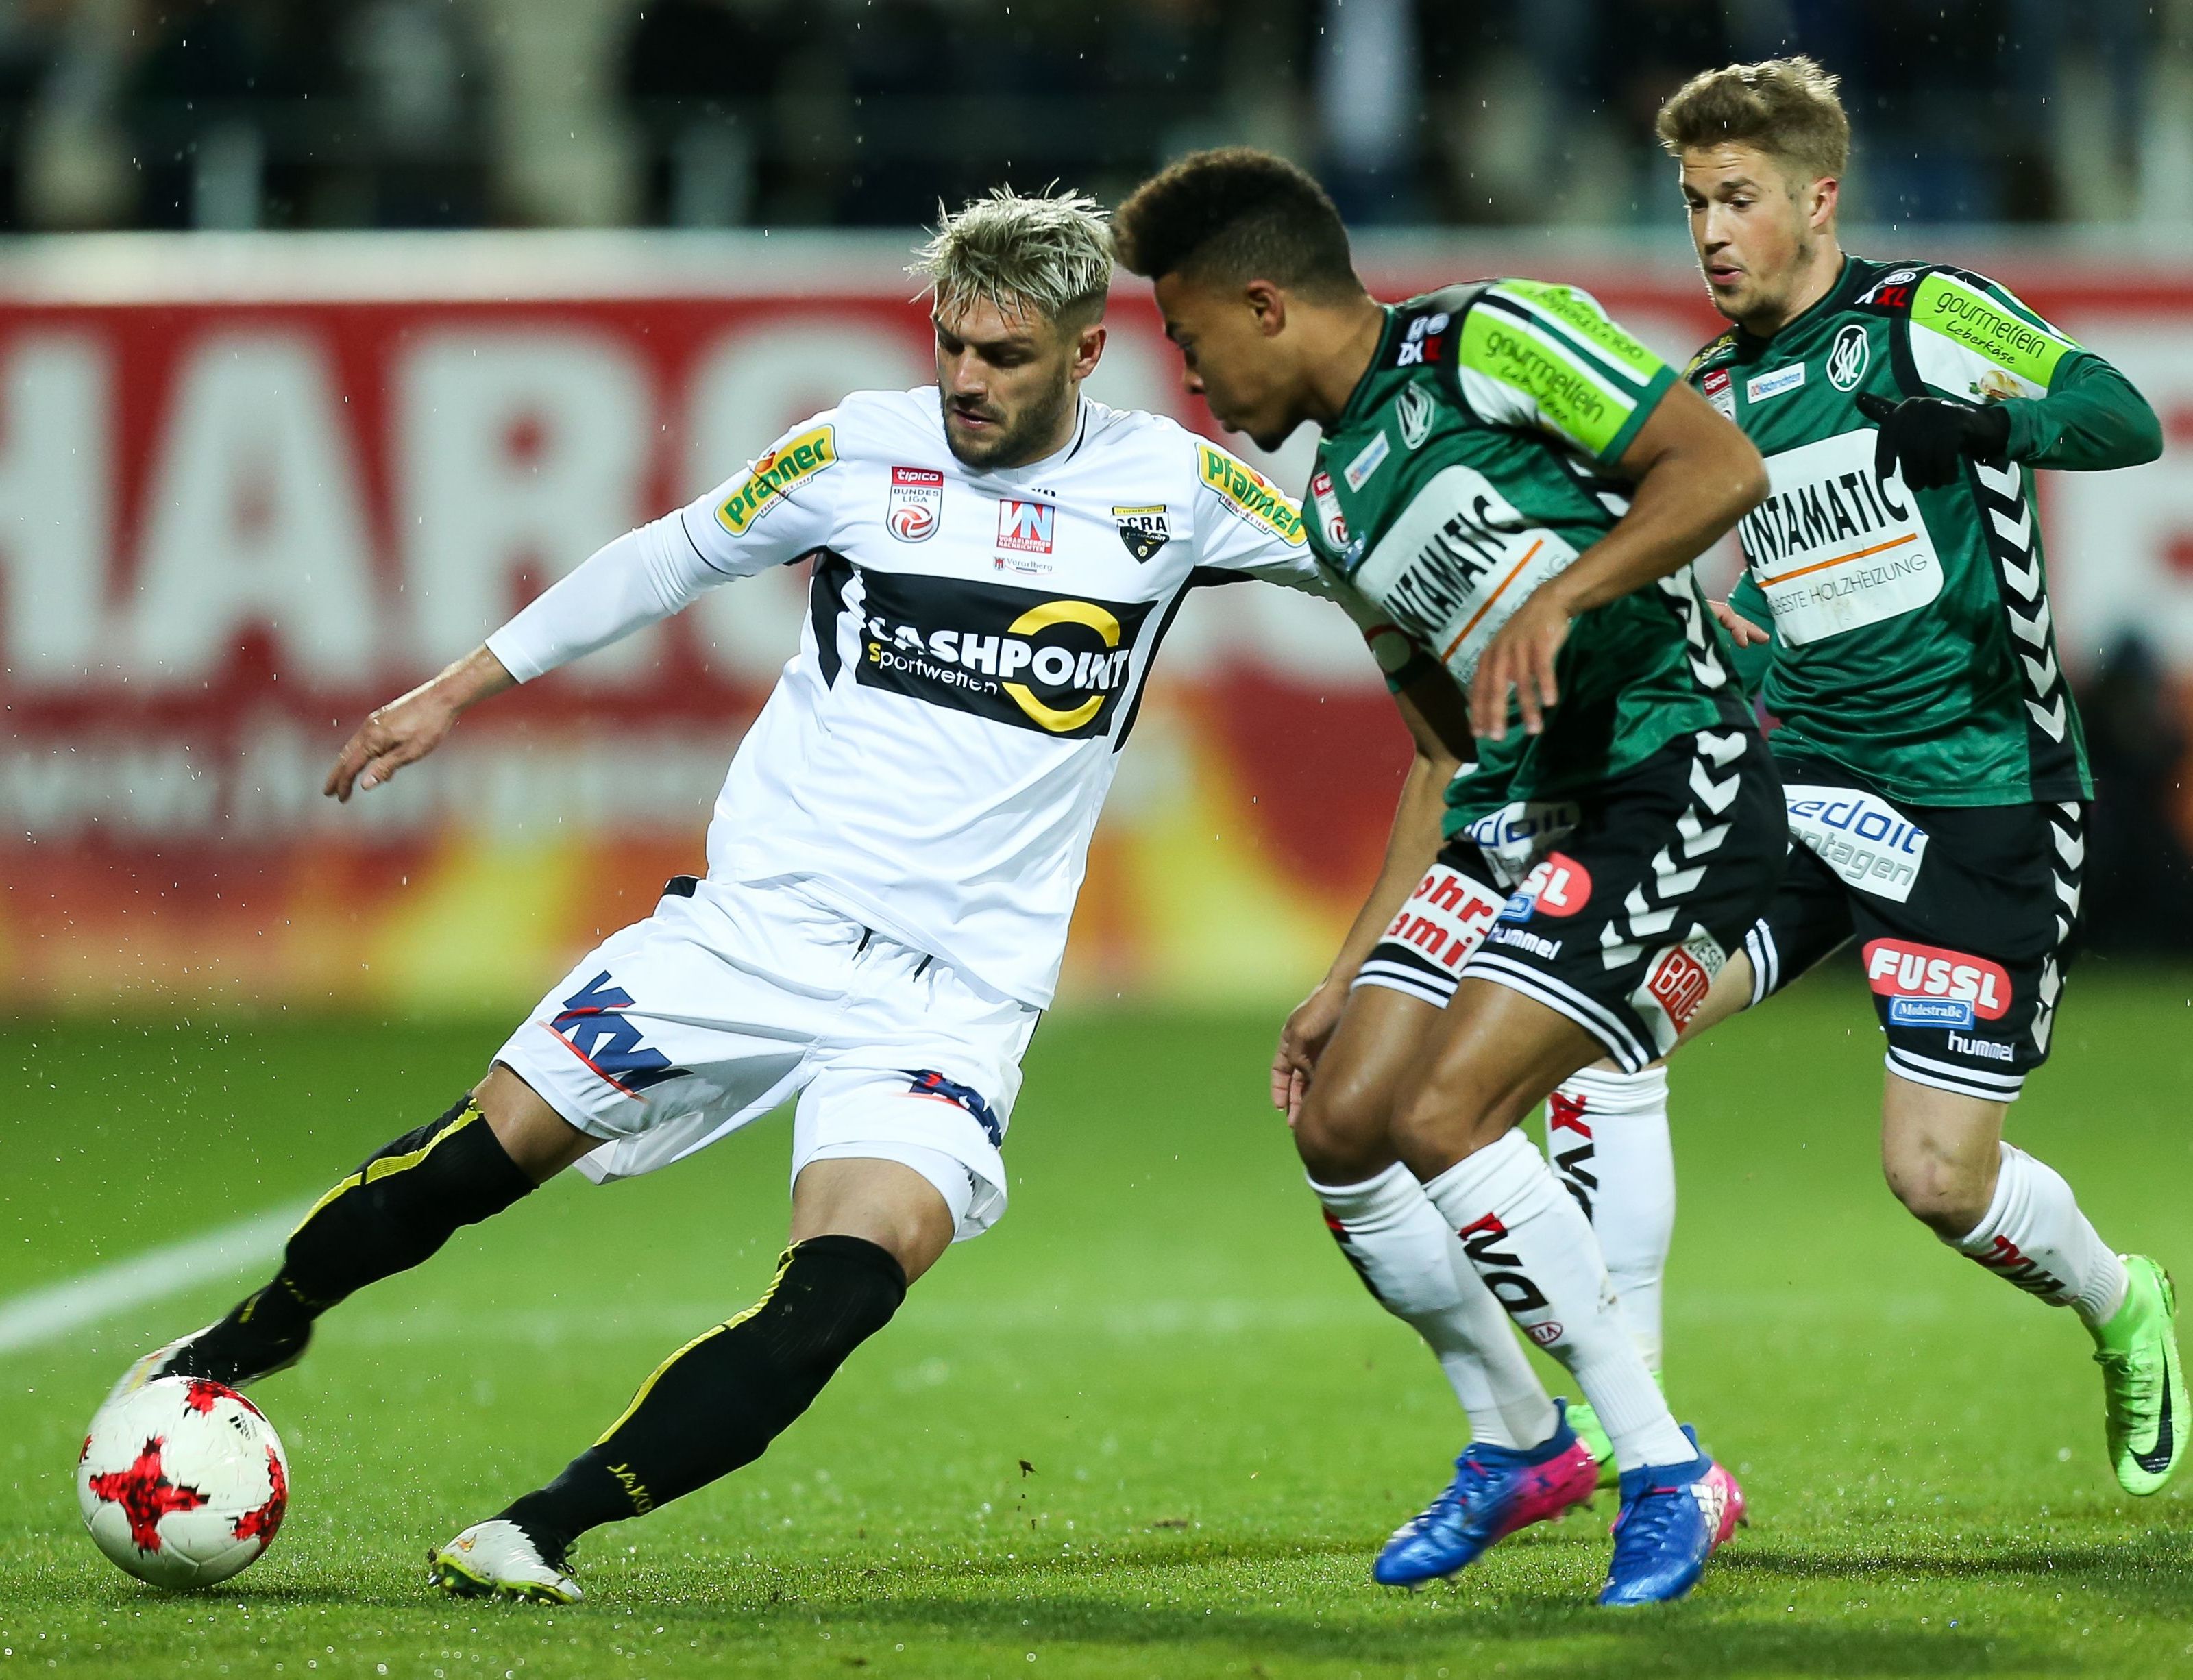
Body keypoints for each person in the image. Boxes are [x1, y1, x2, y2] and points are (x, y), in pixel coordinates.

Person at [107, 188, 1332, 1604]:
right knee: (474, 1160)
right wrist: (457, 687)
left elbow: (1360, 560)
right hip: (755, 930)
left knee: (846, 1290)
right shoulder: (854, 451)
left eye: (1003, 355)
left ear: (1085, 349)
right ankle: (260, 1325)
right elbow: (666, 556)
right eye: (950, 345)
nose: (965, 380)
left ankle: (536, 1525)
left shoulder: (1171, 489)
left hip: (953, 996)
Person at [1114, 147, 1776, 1606]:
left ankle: (1663, 1466)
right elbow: (1436, 756)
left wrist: (1565, 591)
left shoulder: (1493, 338)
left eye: (1187, 336)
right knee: (1345, 1116)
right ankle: (1520, 1439)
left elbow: (1719, 470)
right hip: (1517, 805)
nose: (1190, 375)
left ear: (1265, 302)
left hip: (1668, 761)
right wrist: (1346, 968)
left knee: (1446, 1108)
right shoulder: (1338, 513)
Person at [1632, 55, 2181, 1498]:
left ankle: (2121, 1302)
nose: (1709, 232)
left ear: (1817, 200)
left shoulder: (1917, 319)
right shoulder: (1705, 392)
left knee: (1936, 1177)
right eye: (1692, 201)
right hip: (1800, 790)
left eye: (1736, 199)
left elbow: (2120, 412)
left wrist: (1989, 421)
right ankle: (1634, 1442)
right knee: (1613, 1017)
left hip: (1976, 790)